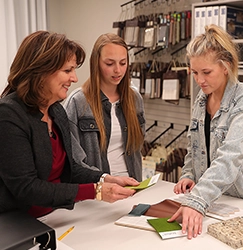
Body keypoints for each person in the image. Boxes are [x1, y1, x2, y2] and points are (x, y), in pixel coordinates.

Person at [0, 31, 139, 218]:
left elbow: (71, 168)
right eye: (67, 71)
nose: (74, 78)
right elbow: (27, 188)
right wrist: (95, 191)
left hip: (58, 214)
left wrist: (104, 178)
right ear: (41, 71)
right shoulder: (9, 115)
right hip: (23, 224)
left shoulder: (56, 111)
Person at [168, 24, 243, 239]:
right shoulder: (202, 97)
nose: (199, 80)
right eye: (195, 72)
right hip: (213, 198)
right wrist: (189, 174)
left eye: (206, 72)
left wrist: (197, 200)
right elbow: (193, 144)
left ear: (226, 66)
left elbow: (231, 155)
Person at [64, 33, 145, 180]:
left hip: (133, 186)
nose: (118, 70)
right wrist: (104, 180)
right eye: (109, 64)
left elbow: (137, 148)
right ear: (96, 63)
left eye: (123, 63)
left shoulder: (135, 99)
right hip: (98, 191)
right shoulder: (78, 102)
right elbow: (74, 161)